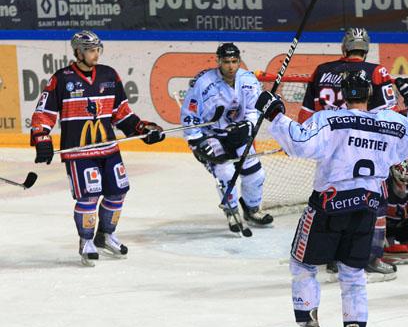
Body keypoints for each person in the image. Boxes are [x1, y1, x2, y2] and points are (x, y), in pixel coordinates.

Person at [255, 70, 408, 327]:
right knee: (353, 273)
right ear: (370, 95)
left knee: (302, 264)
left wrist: (276, 115)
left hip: (329, 207)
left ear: (343, 95)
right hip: (368, 209)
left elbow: (298, 143)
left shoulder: (330, 119)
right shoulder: (389, 123)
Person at [299, 27, 408, 279]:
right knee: (374, 201)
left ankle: (334, 257)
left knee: (331, 198)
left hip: (331, 144)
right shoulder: (377, 72)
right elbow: (388, 114)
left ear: (343, 47)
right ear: (366, 49)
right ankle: (370, 257)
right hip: (365, 145)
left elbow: (305, 117)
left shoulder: (322, 71)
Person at [30, 30, 165, 267]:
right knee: (89, 195)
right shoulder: (61, 79)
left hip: (109, 148)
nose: (96, 54)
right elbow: (44, 114)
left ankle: (105, 235)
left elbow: (121, 114)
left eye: (97, 49)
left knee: (118, 191)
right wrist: (42, 138)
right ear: (78, 52)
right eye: (91, 50)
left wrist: (143, 129)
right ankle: (85, 241)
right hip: (79, 151)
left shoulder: (109, 75)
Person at [180, 43, 273, 233]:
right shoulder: (204, 84)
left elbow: (252, 110)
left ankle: (252, 209)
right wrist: (197, 141)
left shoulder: (248, 80)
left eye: (234, 61)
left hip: (237, 134)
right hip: (210, 135)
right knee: (226, 172)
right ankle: (231, 211)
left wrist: (247, 126)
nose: (230, 66)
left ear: (239, 61)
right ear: (218, 62)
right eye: (226, 62)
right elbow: (189, 115)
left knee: (255, 173)